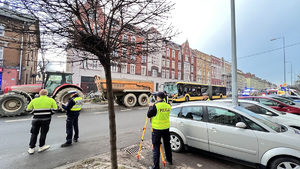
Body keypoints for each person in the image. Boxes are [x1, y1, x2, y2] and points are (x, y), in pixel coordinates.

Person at [27, 89, 58, 155]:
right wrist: (49, 114)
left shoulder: (34, 100)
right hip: (46, 119)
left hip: (36, 119)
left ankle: (31, 148)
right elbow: (55, 109)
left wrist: (34, 113)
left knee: (34, 133)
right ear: (47, 94)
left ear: (39, 93)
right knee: (43, 133)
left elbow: (28, 109)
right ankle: (41, 146)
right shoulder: (51, 100)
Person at [147, 92, 172, 169]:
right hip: (166, 128)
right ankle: (169, 159)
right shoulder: (168, 106)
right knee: (167, 144)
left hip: (157, 129)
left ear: (158, 97)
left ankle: (156, 166)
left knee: (156, 147)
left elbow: (149, 115)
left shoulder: (155, 106)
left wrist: (151, 106)